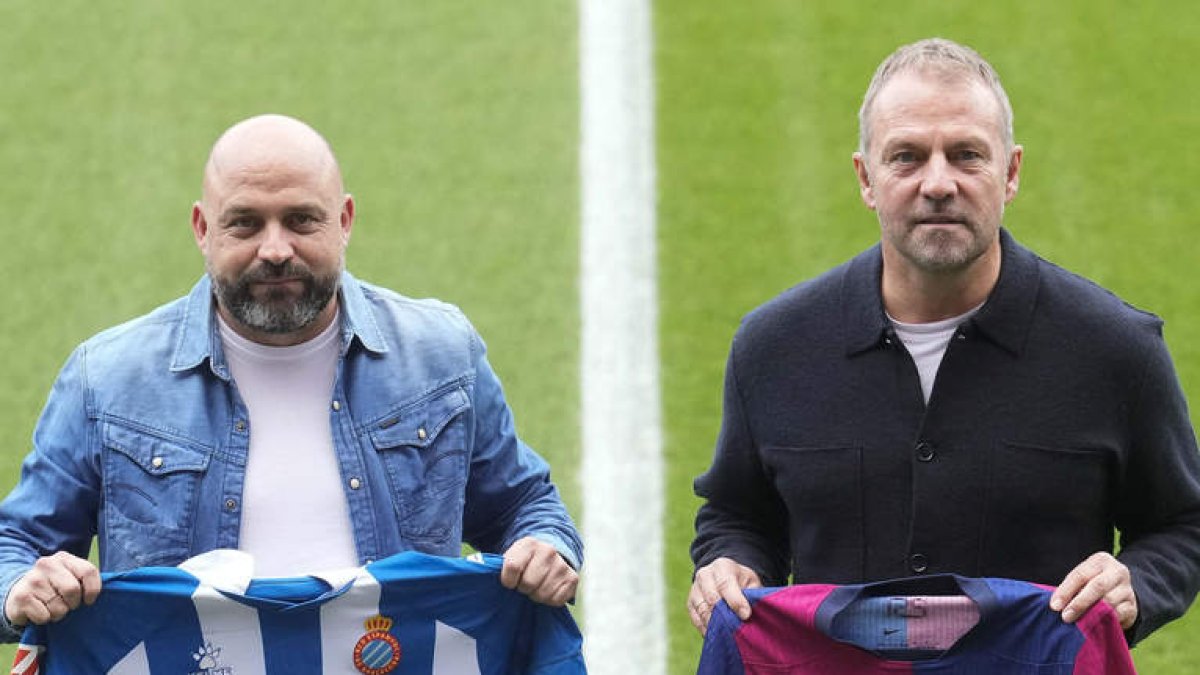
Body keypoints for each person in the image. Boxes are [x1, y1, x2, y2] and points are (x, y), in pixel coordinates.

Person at [687, 38, 1200, 646]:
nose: (938, 183)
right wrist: (731, 565)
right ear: (866, 178)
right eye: (906, 157)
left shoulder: (1116, 350)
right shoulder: (773, 347)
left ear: (1010, 173)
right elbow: (738, 514)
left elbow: (1183, 524)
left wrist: (1136, 583)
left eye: (966, 156)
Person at [0, 114, 582, 640]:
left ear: (344, 221)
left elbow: (525, 506)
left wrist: (546, 550)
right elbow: (16, 545)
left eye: (301, 220)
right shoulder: (107, 380)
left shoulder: (442, 356)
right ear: (203, 229)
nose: (275, 249)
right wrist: (23, 586)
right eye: (245, 224)